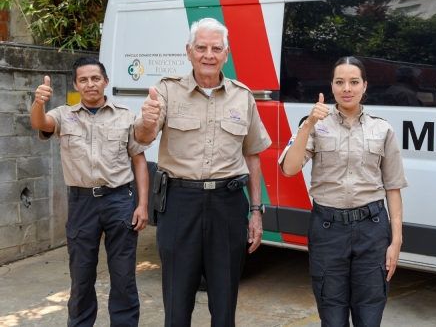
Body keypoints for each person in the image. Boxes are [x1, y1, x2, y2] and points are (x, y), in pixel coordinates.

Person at [134, 17, 271, 327]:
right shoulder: (167, 92)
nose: (208, 55)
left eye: (216, 48)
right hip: (180, 204)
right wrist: (145, 120)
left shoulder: (242, 96)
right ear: (188, 51)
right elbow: (143, 139)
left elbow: (252, 154)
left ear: (227, 54)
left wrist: (256, 211)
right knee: (177, 304)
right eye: (201, 47)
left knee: (224, 306)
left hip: (228, 204)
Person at [279, 56, 408, 327]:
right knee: (332, 314)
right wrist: (308, 125)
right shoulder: (314, 124)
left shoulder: (382, 128)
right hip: (328, 230)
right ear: (331, 86)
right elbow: (289, 169)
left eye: (353, 82)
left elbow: (393, 187)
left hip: (372, 230)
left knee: (370, 313)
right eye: (340, 82)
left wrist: (396, 241)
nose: (346, 88)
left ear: (364, 86)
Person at [30, 57, 149, 327]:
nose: (90, 84)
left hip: (119, 200)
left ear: (106, 81)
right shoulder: (63, 115)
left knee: (123, 276)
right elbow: (40, 123)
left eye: (95, 78)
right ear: (75, 84)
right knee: (81, 276)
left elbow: (139, 161)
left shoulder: (125, 116)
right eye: (83, 80)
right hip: (82, 203)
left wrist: (142, 204)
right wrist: (39, 101)